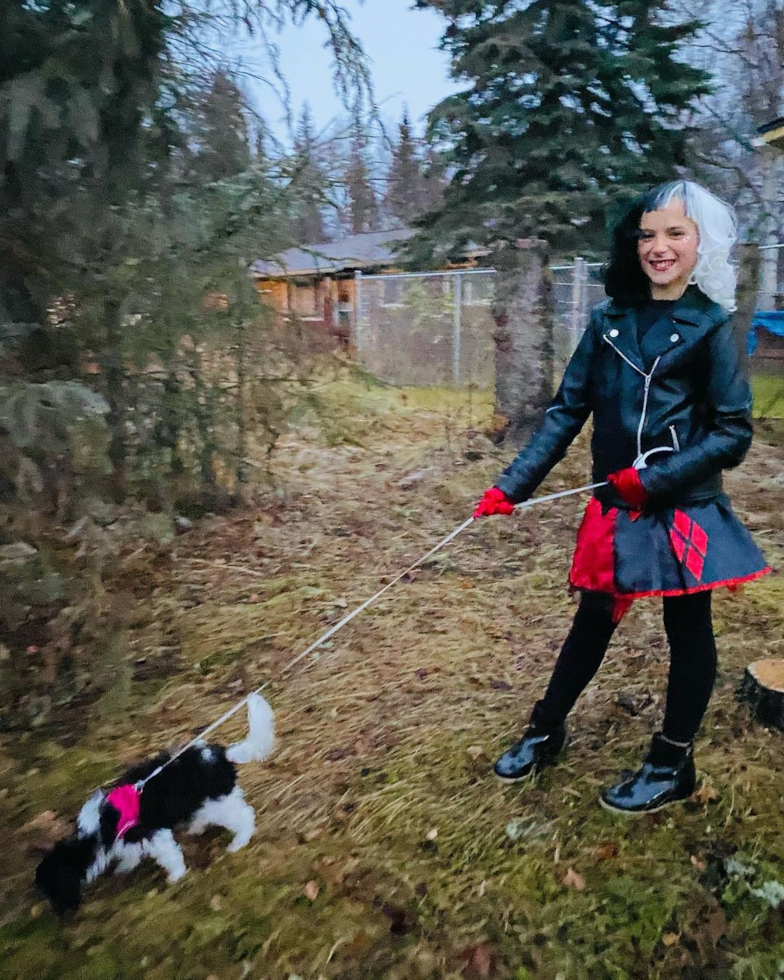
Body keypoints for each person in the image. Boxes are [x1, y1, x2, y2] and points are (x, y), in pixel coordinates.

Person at [473, 180, 771, 815]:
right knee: (592, 618)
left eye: (675, 233)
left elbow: (732, 433)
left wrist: (655, 480)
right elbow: (565, 411)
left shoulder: (712, 327)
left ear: (702, 245)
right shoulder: (606, 321)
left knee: (688, 628)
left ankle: (671, 762)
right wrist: (511, 485)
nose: (658, 246)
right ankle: (545, 729)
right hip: (617, 506)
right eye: (648, 233)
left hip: (681, 507)